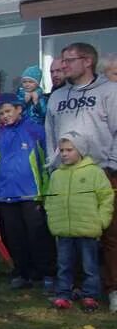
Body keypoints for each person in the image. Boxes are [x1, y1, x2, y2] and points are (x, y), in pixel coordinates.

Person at [44, 43, 117, 312]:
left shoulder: (110, 91)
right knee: (69, 233)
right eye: (62, 61)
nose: (63, 66)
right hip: (65, 175)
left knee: (108, 234)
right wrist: (53, 166)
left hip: (102, 171)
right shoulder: (56, 97)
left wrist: (111, 166)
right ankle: (73, 287)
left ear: (87, 61)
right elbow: (50, 134)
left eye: (68, 60)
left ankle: (112, 289)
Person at [0, 96, 53, 291]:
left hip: (31, 192)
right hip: (5, 193)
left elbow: (48, 157)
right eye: (1, 113)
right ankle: (21, 273)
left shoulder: (34, 129)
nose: (4, 116)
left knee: (37, 235)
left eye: (8, 111)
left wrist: (46, 189)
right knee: (14, 236)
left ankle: (45, 273)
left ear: (19, 109)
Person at [45, 132, 113, 312]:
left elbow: (106, 198)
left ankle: (90, 295)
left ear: (81, 151)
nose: (64, 154)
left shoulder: (94, 172)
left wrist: (101, 221)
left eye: (69, 150)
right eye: (61, 150)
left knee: (89, 266)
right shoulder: (56, 175)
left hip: (87, 228)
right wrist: (52, 220)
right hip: (64, 230)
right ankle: (63, 295)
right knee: (64, 265)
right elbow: (50, 200)